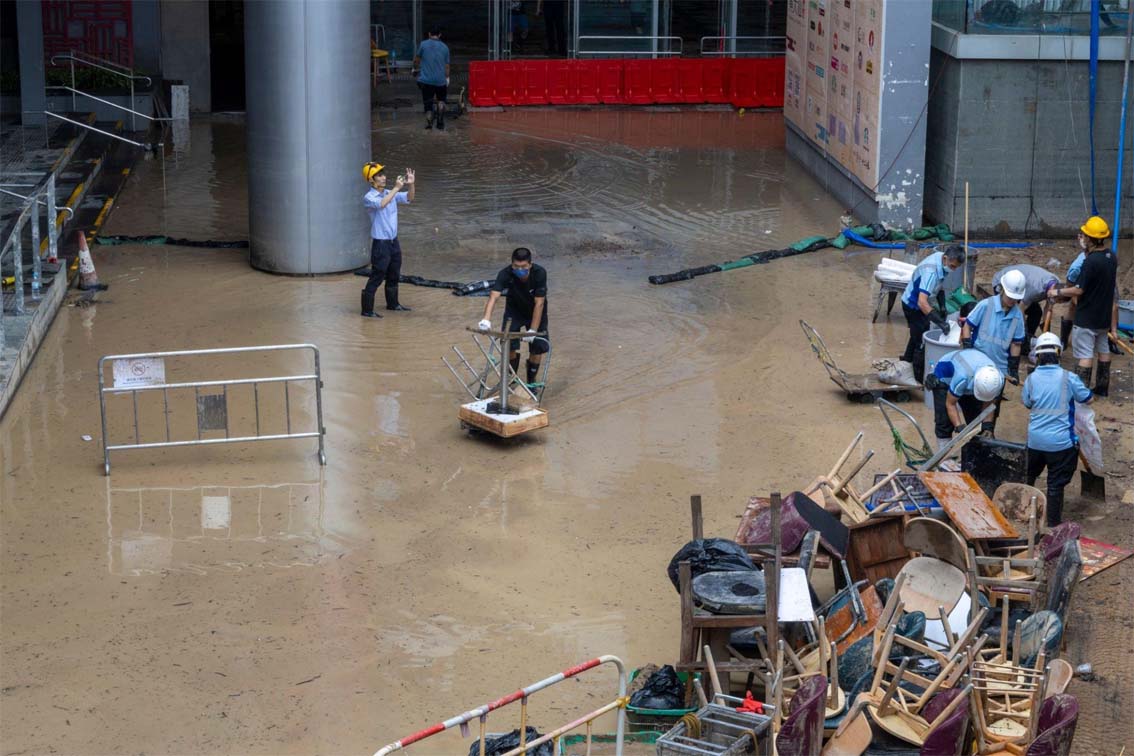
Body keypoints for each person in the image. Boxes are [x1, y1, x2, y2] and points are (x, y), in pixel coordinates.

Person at [1021, 332, 1093, 527]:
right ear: (1058, 352)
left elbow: (1027, 403)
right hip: (1061, 445)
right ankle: (1053, 524)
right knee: (1055, 485)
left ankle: (1023, 513)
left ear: (1038, 355)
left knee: (1028, 477)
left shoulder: (1031, 379)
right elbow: (1088, 398)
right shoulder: (1069, 378)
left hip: (1035, 442)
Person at [1047, 216, 1119, 396]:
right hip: (1103, 318)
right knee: (1103, 351)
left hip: (1087, 317)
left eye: (1085, 235)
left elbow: (1078, 290)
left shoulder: (1090, 262)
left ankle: (1081, 392)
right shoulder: (1112, 257)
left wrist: (1057, 292)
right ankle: (1102, 389)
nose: (1083, 238)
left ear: (1091, 238)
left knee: (1085, 355)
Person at [478, 247, 549, 387]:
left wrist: (533, 330)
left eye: (523, 267)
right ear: (512, 264)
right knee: (508, 345)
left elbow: (539, 303)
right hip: (514, 311)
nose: (519, 270)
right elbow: (494, 296)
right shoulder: (505, 274)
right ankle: (511, 380)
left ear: (530, 264)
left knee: (537, 348)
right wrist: (486, 319)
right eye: (516, 266)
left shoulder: (539, 273)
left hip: (535, 311)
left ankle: (531, 382)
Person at [900, 244, 966, 382]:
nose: (953, 270)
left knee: (916, 333)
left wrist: (942, 306)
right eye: (952, 266)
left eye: (956, 267)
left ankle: (906, 360)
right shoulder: (931, 271)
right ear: (946, 258)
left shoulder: (942, 261)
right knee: (921, 340)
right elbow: (922, 302)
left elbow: (939, 286)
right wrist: (940, 322)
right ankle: (917, 378)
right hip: (912, 305)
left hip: (921, 302)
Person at [360, 162, 415, 317]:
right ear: (371, 180)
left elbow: (409, 198)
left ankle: (393, 304)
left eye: (383, 174)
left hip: (393, 242)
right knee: (377, 276)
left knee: (394, 274)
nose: (383, 178)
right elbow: (382, 204)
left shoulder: (389, 193)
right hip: (381, 244)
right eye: (379, 175)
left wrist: (411, 184)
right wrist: (397, 188)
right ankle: (367, 311)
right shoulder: (369, 197)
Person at [924, 348, 1004, 451]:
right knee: (944, 419)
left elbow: (989, 405)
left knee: (975, 420)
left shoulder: (998, 379)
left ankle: (977, 453)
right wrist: (959, 426)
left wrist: (987, 426)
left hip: (971, 375)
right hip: (945, 377)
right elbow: (950, 404)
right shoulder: (962, 378)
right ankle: (944, 454)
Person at [963, 268, 1026, 385]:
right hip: (977, 362)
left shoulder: (1017, 315)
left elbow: (1016, 344)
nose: (1013, 301)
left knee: (994, 400)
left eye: (1016, 298)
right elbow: (967, 326)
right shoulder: (986, 305)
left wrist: (1013, 368)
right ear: (1002, 289)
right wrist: (967, 348)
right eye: (1010, 297)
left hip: (1000, 369)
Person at [990, 264, 1058, 336]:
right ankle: (1009, 336)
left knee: (1036, 312)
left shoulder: (1056, 285)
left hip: (1020, 287)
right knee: (1010, 311)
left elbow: (1048, 309)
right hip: (1002, 282)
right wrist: (1023, 329)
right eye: (1055, 301)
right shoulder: (1036, 289)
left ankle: (1029, 336)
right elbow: (1020, 309)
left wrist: (1047, 333)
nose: (1054, 303)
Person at [414, 27, 450, 130]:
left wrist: (414, 68)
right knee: (441, 101)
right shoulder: (445, 47)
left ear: (429, 34)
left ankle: (429, 124)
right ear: (440, 35)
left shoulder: (423, 44)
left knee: (428, 103)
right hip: (441, 81)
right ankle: (440, 122)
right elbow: (447, 66)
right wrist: (447, 78)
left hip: (426, 81)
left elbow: (417, 59)